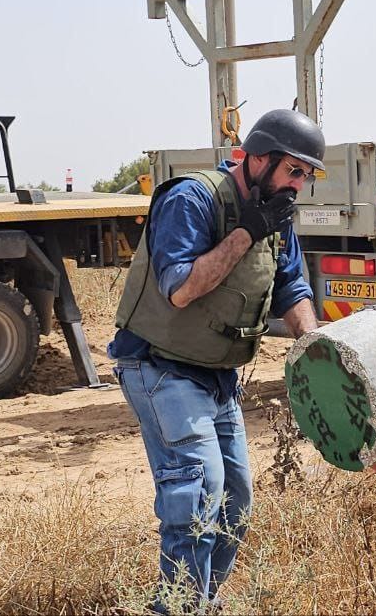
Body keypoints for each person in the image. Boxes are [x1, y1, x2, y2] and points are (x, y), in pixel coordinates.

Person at [109, 109, 323, 612]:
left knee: (235, 505)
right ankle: (179, 608)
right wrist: (246, 231)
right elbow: (181, 289)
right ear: (260, 159)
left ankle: (200, 601)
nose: (298, 185)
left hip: (217, 376)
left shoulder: (275, 214)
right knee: (197, 498)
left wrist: (315, 349)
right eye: (293, 171)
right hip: (160, 367)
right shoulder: (192, 198)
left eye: (307, 176)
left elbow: (291, 286)